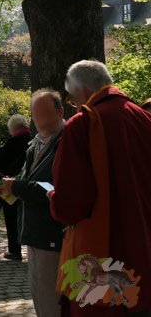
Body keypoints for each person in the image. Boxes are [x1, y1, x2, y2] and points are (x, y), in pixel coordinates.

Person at [49, 60, 151, 316]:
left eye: (72, 99)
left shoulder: (83, 124)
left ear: (81, 90)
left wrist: (53, 198)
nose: (74, 104)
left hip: (103, 250)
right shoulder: (143, 117)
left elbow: (69, 206)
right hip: (144, 246)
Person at [0, 90, 66, 317]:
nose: (39, 118)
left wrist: (16, 187)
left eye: (44, 112)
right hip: (32, 231)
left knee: (53, 302)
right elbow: (25, 179)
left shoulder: (66, 142)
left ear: (60, 112)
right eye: (35, 113)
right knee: (40, 298)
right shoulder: (35, 143)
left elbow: (53, 188)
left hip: (53, 233)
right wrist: (3, 188)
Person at [0, 113, 32, 261]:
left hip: (11, 186)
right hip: (29, 185)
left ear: (12, 128)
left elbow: (0, 163)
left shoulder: (12, 143)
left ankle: (14, 251)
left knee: (11, 217)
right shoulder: (33, 141)